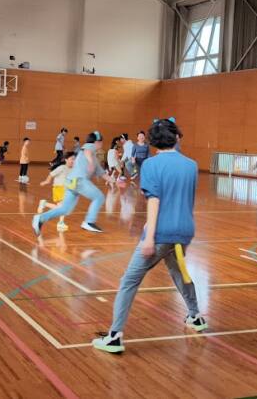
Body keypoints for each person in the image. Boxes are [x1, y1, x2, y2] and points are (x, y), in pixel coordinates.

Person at [92, 119, 207, 354]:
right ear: (176, 137)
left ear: (153, 141)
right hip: (184, 231)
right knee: (178, 270)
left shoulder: (151, 165)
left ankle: (114, 336)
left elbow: (154, 201)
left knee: (129, 281)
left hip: (161, 232)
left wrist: (149, 237)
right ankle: (195, 316)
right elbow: (182, 198)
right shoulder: (191, 165)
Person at [32, 131, 113, 235]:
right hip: (79, 180)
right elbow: (87, 151)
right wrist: (90, 162)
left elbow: (103, 174)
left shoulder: (95, 159)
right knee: (99, 197)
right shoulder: (89, 147)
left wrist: (114, 180)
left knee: (65, 209)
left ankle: (40, 218)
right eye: (101, 141)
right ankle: (89, 222)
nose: (102, 144)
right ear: (96, 142)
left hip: (71, 182)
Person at [37, 152, 76, 232]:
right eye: (72, 159)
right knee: (63, 207)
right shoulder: (62, 167)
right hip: (59, 188)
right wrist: (47, 181)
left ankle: (44, 204)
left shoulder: (73, 169)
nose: (73, 161)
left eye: (74, 159)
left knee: (61, 207)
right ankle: (60, 222)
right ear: (66, 160)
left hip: (67, 189)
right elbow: (51, 174)